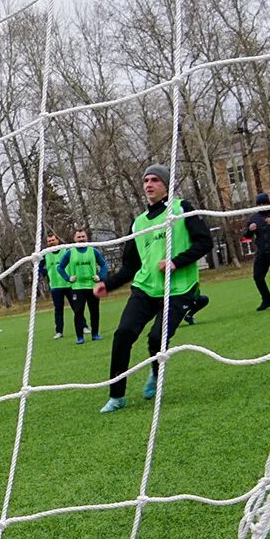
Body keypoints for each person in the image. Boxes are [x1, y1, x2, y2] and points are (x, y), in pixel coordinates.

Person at [95, 164, 214, 413]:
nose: (149, 184)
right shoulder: (138, 224)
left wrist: (175, 262)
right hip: (145, 289)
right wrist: (109, 284)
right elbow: (131, 265)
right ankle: (117, 396)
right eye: (146, 181)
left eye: (155, 180)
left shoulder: (182, 209)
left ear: (166, 185)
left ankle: (155, 373)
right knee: (123, 334)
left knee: (156, 338)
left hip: (179, 289)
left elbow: (205, 242)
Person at [55, 229, 108, 343]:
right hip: (77, 288)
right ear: (74, 239)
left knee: (94, 311)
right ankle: (80, 337)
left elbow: (104, 265)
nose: (81, 239)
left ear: (86, 237)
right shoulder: (70, 252)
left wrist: (100, 276)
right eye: (78, 237)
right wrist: (68, 278)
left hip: (92, 286)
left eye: (83, 236)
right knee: (78, 312)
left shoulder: (93, 251)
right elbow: (60, 267)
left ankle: (95, 334)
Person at [241, 191, 270, 310]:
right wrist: (250, 230)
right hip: (261, 251)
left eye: (264, 203)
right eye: (259, 204)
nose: (262, 206)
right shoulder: (254, 218)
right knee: (257, 276)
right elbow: (246, 236)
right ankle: (266, 300)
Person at [42, 233, 73, 338]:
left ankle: (83, 326)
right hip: (55, 286)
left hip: (69, 285)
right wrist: (44, 272)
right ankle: (59, 331)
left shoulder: (66, 251)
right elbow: (39, 267)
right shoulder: (45, 254)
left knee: (76, 307)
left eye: (53, 240)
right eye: (49, 241)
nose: (51, 242)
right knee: (58, 309)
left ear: (57, 240)